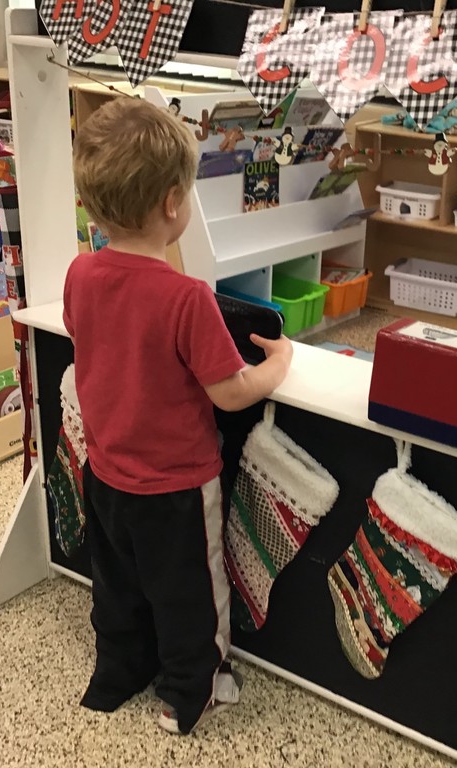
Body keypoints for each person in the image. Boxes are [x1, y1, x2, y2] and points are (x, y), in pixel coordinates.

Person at [64, 98, 294, 735]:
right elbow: (231, 392)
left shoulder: (81, 274)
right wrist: (281, 364)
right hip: (177, 487)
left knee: (118, 588)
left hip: (105, 475)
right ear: (174, 204)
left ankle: (115, 674)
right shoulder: (188, 298)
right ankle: (192, 692)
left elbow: (97, 336)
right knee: (190, 595)